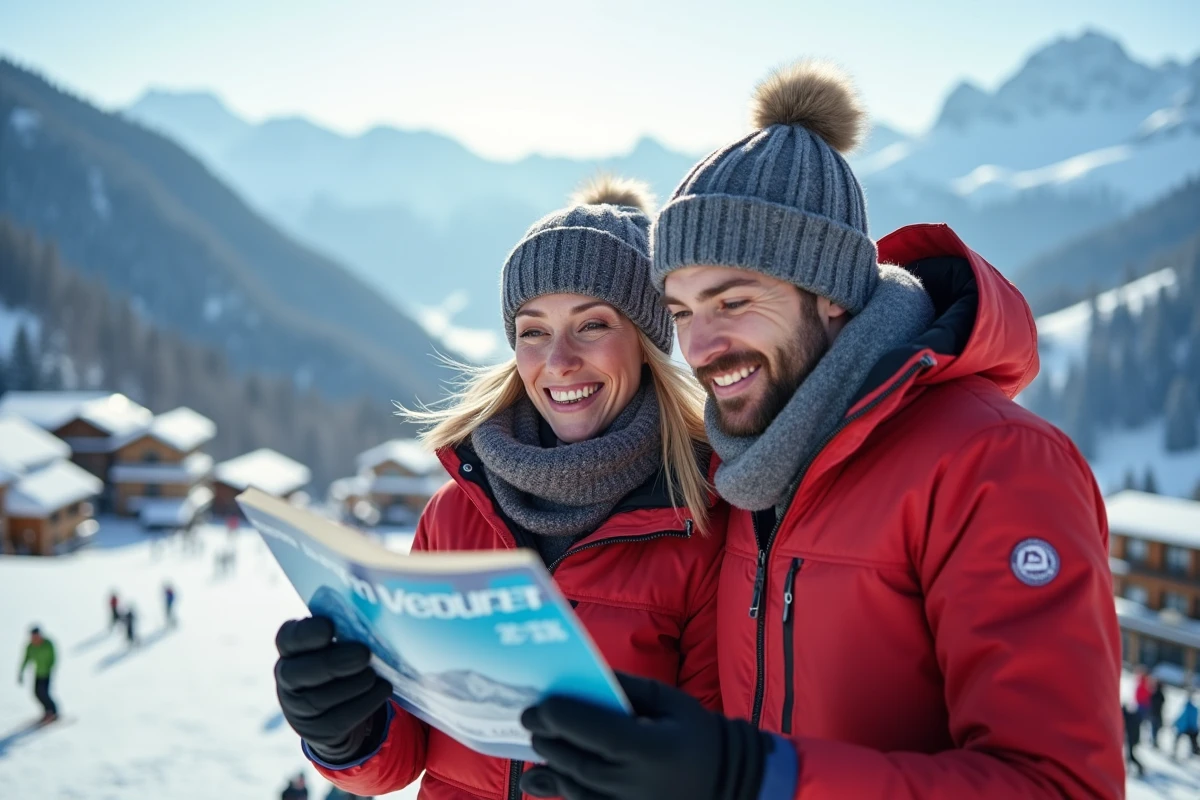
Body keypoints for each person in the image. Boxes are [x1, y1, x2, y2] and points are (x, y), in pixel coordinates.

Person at [516, 60, 1123, 800]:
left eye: (733, 300)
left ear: (831, 293)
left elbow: (1063, 787)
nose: (701, 348)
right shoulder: (745, 473)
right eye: (681, 311)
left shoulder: (994, 465)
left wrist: (754, 777)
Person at [272, 176, 727, 798]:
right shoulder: (457, 512)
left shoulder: (702, 518)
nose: (558, 361)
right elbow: (405, 754)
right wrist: (345, 730)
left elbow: (719, 758)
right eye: (533, 330)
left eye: (592, 325)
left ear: (647, 344)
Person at [17, 626, 58, 723]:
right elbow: (26, 658)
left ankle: (53, 712)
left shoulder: (48, 644)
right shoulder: (30, 646)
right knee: (37, 693)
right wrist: (21, 672)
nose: (35, 638)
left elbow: (53, 657)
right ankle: (47, 712)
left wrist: (50, 667)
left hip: (46, 673)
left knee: (44, 693)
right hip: (38, 673)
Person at [1174, 692, 1200, 758]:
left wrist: (1176, 723)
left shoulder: (1187, 708)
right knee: (1193, 741)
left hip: (1186, 728)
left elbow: (1183, 718)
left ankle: (1175, 750)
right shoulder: (1194, 709)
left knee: (1178, 738)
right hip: (1192, 729)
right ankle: (1195, 750)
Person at [1123, 701, 1145, 778]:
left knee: (1130, 756)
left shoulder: (1128, 718)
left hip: (1132, 739)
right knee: (1129, 755)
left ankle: (1139, 767)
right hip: (1133, 739)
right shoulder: (1133, 717)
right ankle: (1128, 769)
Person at [1149, 677, 1166, 747]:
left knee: (1154, 727)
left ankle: (1154, 739)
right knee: (1156, 727)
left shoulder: (1155, 693)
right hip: (1158, 713)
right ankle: (1154, 740)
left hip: (1154, 713)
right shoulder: (1161, 695)